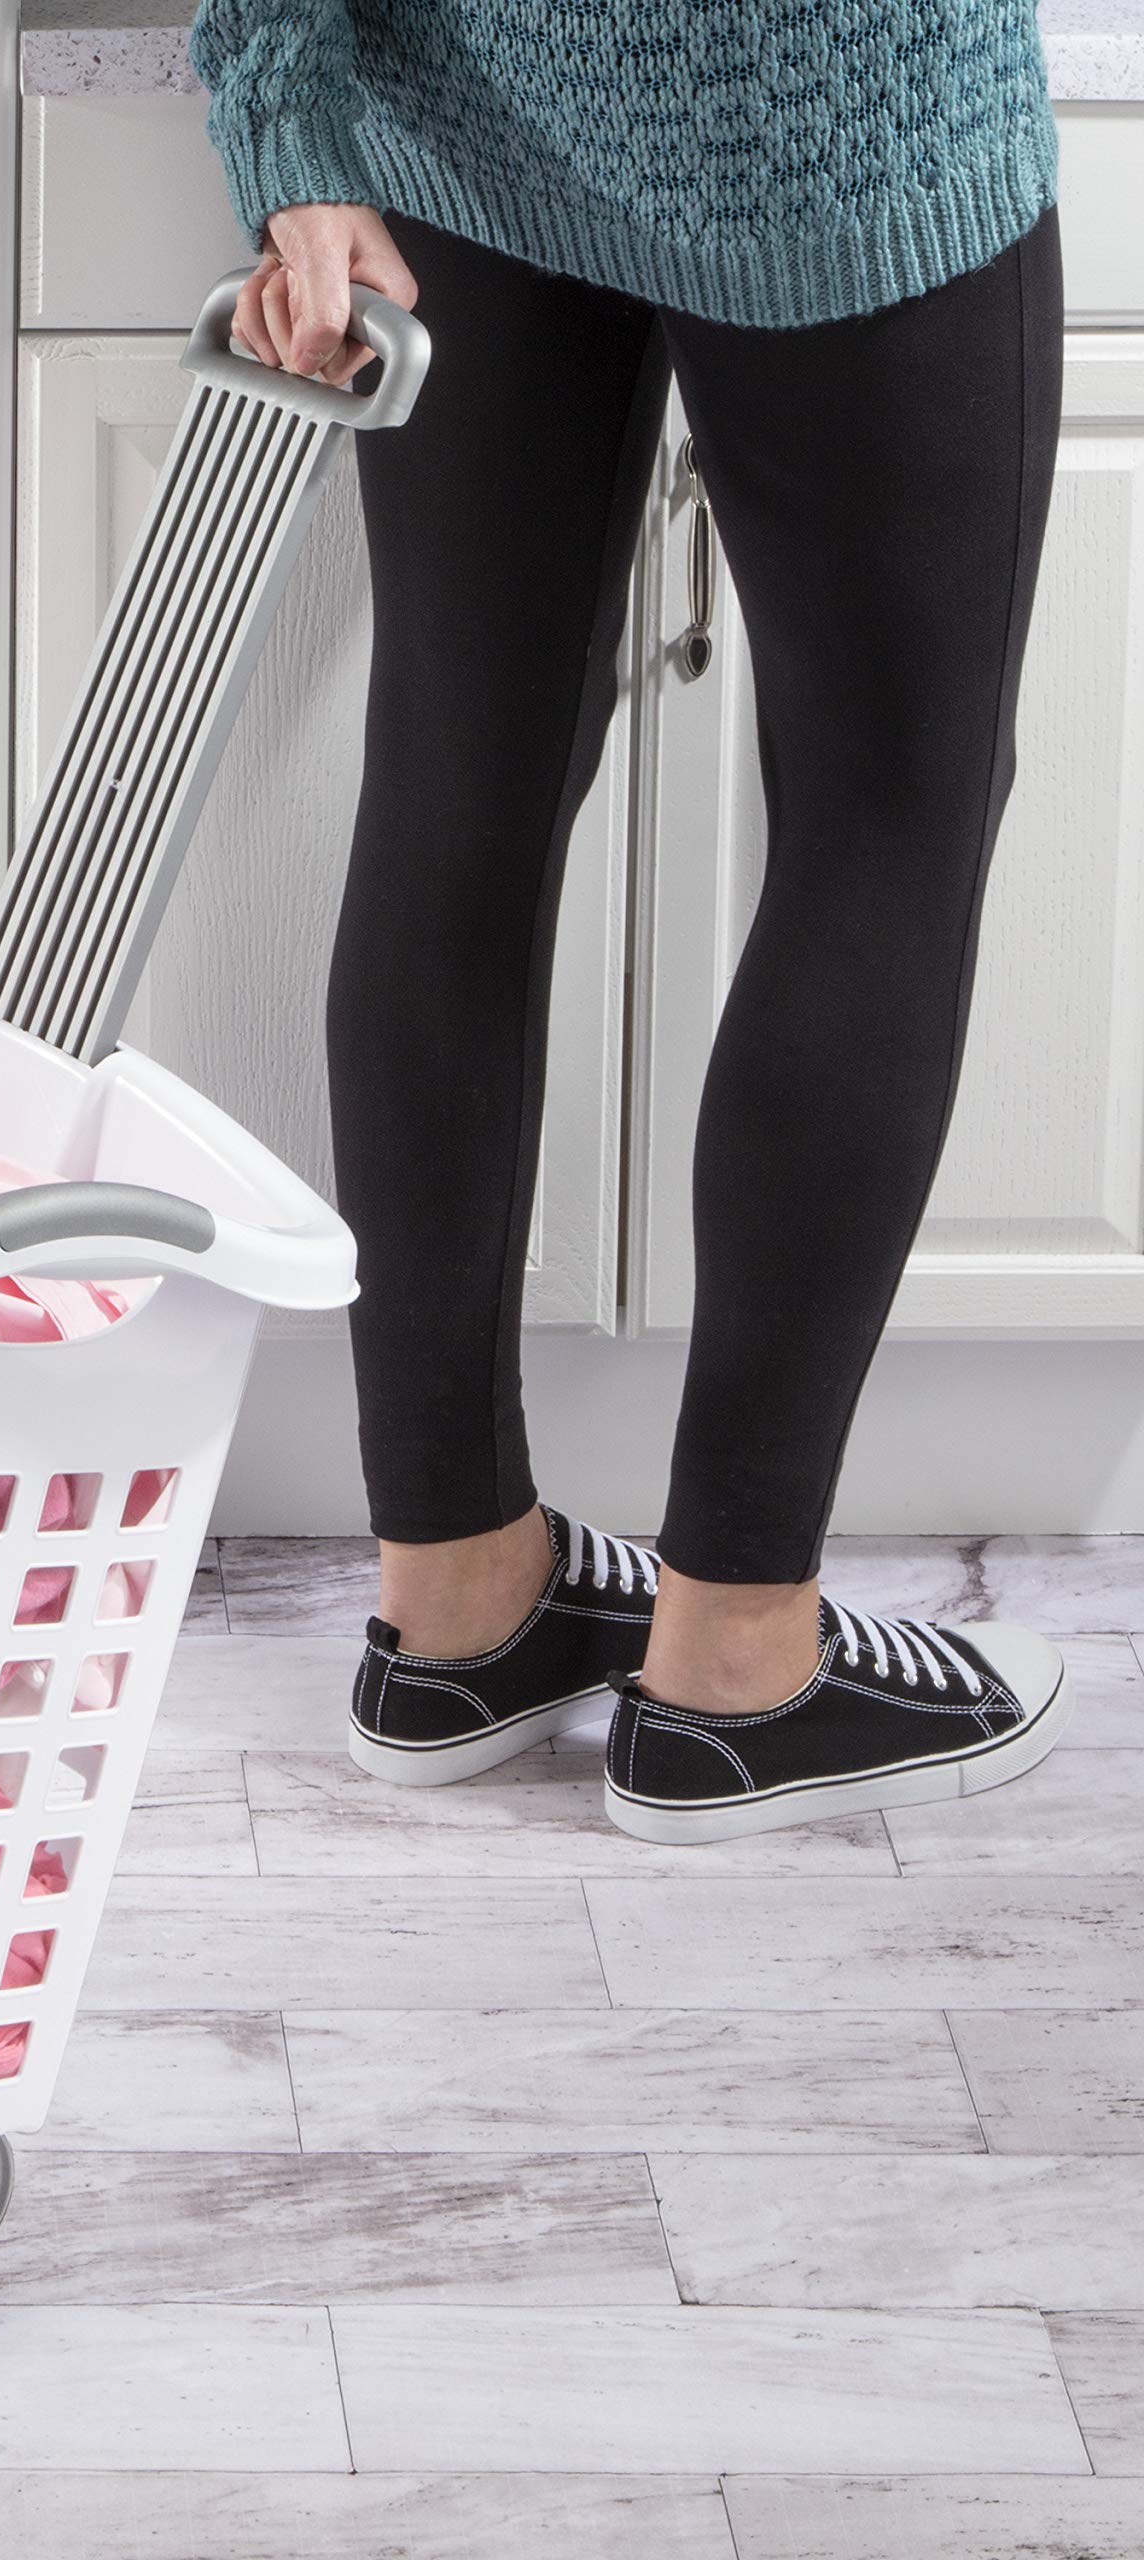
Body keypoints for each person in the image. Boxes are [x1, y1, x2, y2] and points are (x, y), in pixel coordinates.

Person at [189, 0, 1071, 1841]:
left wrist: (295, 140)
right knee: (887, 817)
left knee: (459, 783)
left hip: (462, 96)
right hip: (843, 109)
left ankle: (458, 1608)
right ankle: (740, 1658)